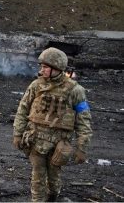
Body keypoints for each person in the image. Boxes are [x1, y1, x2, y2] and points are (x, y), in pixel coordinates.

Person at [12, 47, 92, 202]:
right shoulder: (36, 86)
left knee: (54, 178)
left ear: (57, 68)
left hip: (59, 144)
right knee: (37, 176)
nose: (42, 70)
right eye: (41, 66)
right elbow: (23, 109)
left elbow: (84, 120)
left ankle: (53, 195)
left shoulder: (75, 90)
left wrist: (82, 148)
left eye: (45, 67)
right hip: (35, 139)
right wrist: (17, 133)